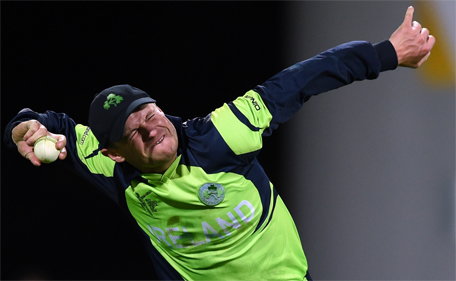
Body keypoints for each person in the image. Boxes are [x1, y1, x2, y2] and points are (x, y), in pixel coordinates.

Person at [4, 6, 435, 281]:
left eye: (151, 113)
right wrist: (23, 128)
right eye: (135, 131)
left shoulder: (223, 134)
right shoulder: (108, 165)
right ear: (115, 151)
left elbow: (301, 79)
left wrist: (386, 54)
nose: (153, 128)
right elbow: (52, 124)